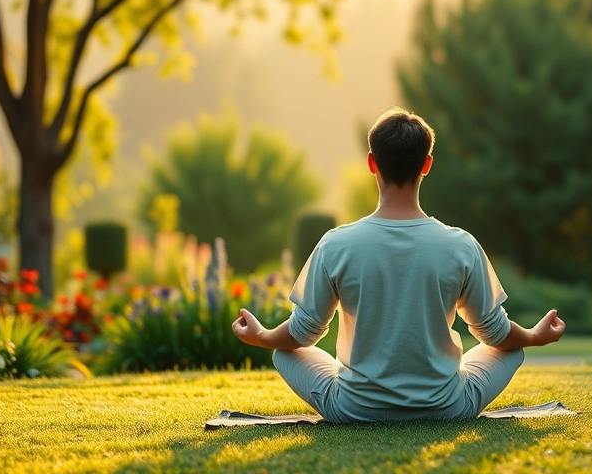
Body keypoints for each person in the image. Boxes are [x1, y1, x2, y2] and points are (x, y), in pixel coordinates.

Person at [232, 107, 566, 423]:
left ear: (372, 163)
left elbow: (302, 334)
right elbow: (495, 333)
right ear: (427, 164)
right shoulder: (460, 245)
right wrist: (534, 336)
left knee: (282, 352)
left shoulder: (336, 244)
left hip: (353, 409)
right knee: (513, 349)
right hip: (446, 406)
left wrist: (262, 336)